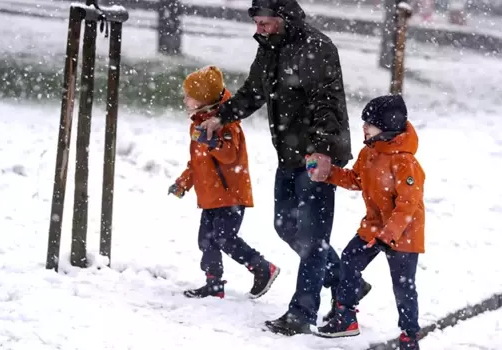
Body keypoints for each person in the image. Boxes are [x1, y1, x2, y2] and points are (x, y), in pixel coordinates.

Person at [199, 0, 372, 335]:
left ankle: (302, 313)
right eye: (257, 23)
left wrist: (322, 152)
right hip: (289, 153)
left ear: (284, 19)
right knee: (285, 226)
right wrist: (221, 117)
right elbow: (253, 92)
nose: (259, 29)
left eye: (265, 23)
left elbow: (327, 103)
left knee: (313, 236)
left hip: (316, 156)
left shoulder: (316, 47)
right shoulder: (270, 48)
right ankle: (343, 280)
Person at [309, 95, 425, 349]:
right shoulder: (370, 153)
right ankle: (346, 317)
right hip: (374, 227)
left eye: (370, 123)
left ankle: (409, 336)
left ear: (387, 126)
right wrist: (329, 173)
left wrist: (389, 235)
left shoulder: (406, 162)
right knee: (349, 259)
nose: (364, 127)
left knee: (403, 287)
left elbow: (408, 205)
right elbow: (356, 179)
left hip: (403, 234)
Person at [169, 65, 280, 300]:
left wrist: (213, 143)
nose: (185, 99)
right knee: (206, 240)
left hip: (230, 195)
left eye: (190, 96)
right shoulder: (198, 124)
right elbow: (197, 163)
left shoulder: (227, 125)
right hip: (210, 196)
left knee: (225, 238)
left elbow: (229, 156)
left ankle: (262, 267)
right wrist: (183, 183)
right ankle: (213, 283)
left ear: (203, 100)